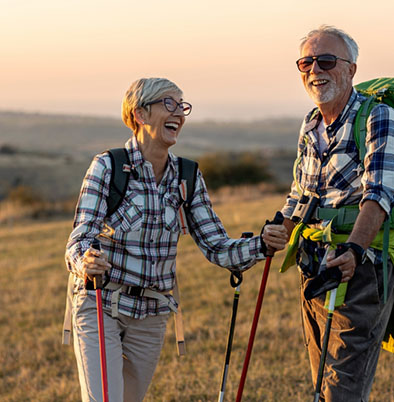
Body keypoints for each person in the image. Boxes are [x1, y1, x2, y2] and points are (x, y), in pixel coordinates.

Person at [65, 77, 288, 402]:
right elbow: (79, 238)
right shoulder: (108, 166)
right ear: (140, 113)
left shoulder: (187, 176)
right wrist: (86, 261)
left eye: (182, 106)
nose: (180, 114)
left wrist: (262, 244)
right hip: (102, 306)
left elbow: (217, 247)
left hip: (152, 313)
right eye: (169, 104)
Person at [280, 25, 394, 401]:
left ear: (351, 69)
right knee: (321, 381)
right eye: (306, 62)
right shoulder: (311, 122)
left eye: (326, 60)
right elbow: (300, 193)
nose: (315, 70)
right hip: (314, 266)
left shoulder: (377, 117)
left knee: (340, 388)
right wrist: (277, 229)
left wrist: (355, 250)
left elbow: (379, 195)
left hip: (359, 268)